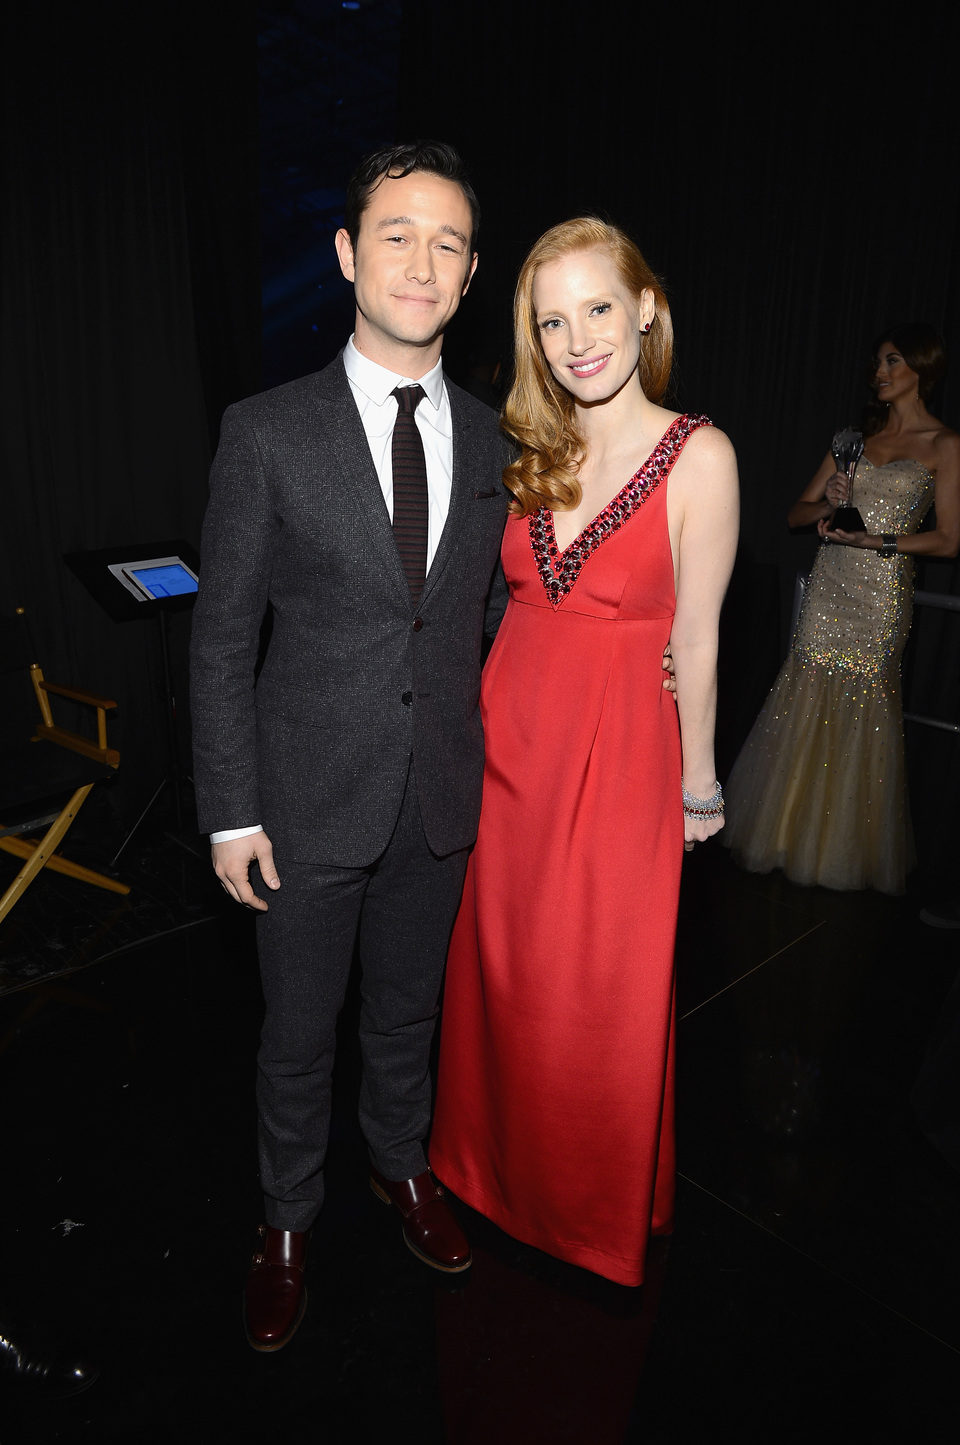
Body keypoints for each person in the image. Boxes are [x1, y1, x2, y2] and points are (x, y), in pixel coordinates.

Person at [189, 141, 512, 1352]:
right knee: (294, 1029)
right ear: (345, 254)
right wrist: (230, 811)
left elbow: (478, 617)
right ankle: (284, 1220)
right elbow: (221, 638)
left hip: (436, 798)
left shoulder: (494, 441)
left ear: (472, 272)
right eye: (396, 233)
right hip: (302, 802)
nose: (420, 261)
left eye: (447, 242)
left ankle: (400, 1164)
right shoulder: (265, 432)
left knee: (406, 1015)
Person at [429, 217, 740, 1287]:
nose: (577, 339)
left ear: (645, 307)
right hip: (506, 749)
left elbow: (697, 636)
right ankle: (484, 1170)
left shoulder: (701, 452)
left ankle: (584, 1211)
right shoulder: (532, 450)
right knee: (501, 978)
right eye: (550, 319)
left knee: (597, 992)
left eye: (597, 307)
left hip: (621, 761)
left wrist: (700, 782)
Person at [723, 323, 960, 894]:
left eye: (893, 362)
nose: (879, 373)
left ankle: (839, 850)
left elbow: (950, 540)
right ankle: (782, 835)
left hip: (881, 594)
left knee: (863, 708)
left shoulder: (945, 447)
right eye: (879, 362)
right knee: (804, 697)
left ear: (921, 371)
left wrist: (878, 542)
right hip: (831, 585)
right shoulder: (853, 441)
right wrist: (827, 503)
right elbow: (795, 517)